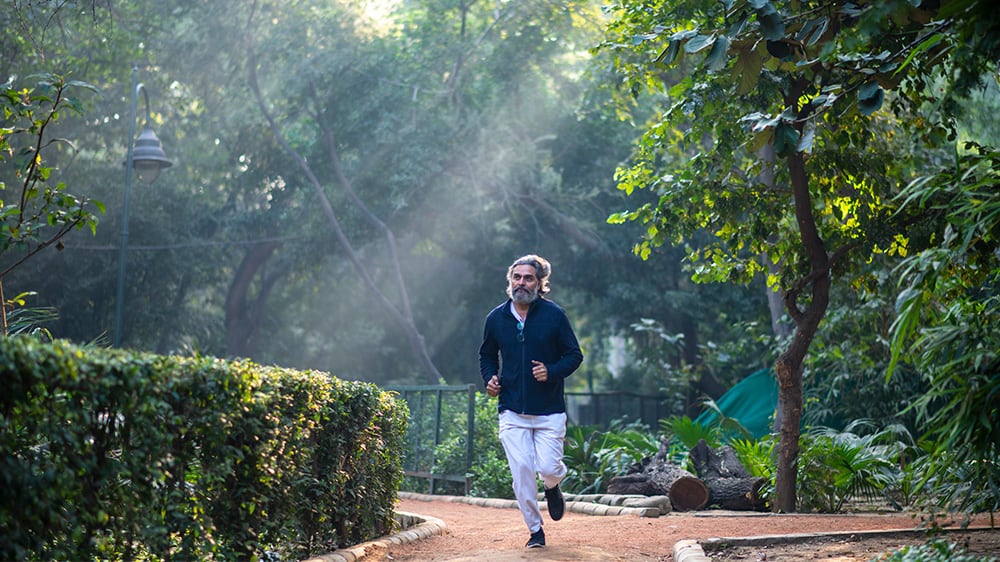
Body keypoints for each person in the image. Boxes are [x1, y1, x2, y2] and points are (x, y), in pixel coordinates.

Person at [479, 254, 584, 549]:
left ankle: (553, 485)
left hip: (549, 410)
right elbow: (487, 354)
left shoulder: (554, 315)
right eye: (517, 277)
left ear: (540, 283)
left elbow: (574, 355)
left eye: (528, 278)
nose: (521, 283)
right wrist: (490, 378)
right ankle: (535, 530)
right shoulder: (496, 318)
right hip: (512, 410)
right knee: (522, 470)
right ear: (510, 280)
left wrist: (551, 372)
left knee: (548, 468)